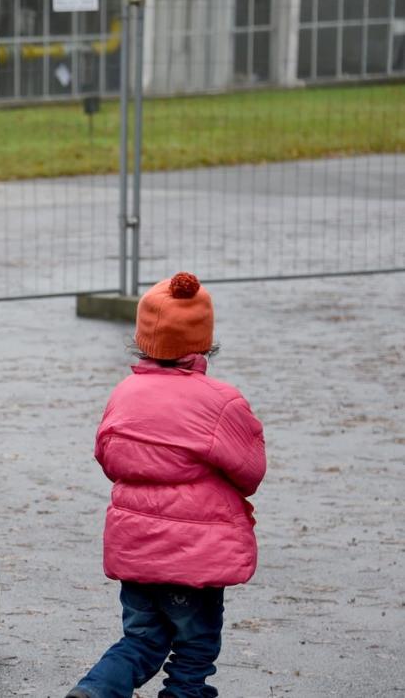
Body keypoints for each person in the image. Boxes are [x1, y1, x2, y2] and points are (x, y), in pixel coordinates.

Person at [66, 272, 266, 698]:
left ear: (142, 337)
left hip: (136, 546)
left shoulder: (125, 393)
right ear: (203, 340)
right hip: (194, 557)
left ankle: (97, 690)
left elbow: (108, 456)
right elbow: (251, 472)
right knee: (193, 652)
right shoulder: (222, 402)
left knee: (141, 640)